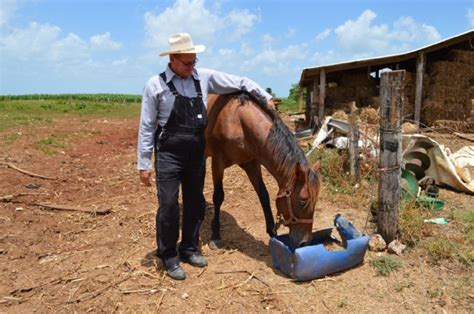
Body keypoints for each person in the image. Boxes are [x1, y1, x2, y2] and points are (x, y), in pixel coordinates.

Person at [137, 32, 273, 280]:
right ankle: (168, 255)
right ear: (173, 60)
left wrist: (265, 96)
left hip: (196, 152)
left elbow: (241, 81)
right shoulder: (154, 85)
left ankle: (189, 248)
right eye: (187, 63)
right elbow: (147, 125)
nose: (192, 67)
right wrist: (144, 162)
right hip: (169, 153)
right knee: (168, 206)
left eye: (194, 61)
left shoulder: (204, 78)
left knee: (195, 203)